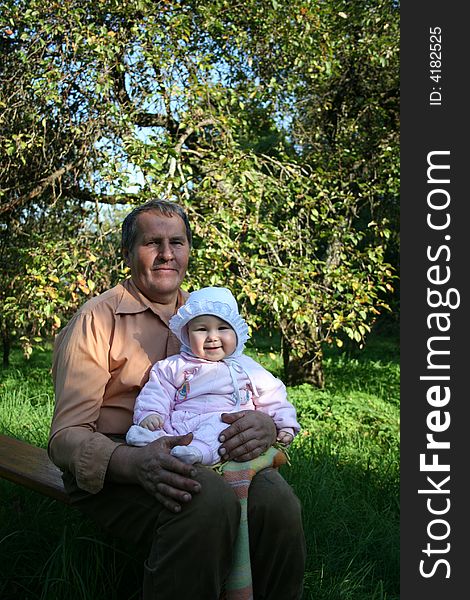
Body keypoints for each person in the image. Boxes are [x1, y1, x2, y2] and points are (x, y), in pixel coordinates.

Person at [48, 199, 306, 599]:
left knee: (277, 501)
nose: (167, 254)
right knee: (205, 502)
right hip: (118, 458)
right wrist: (133, 463)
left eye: (177, 242)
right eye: (152, 242)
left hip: (209, 450)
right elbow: (65, 437)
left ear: (188, 250)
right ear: (128, 252)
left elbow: (252, 380)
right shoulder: (96, 319)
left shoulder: (206, 313)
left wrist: (267, 424)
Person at [126, 286, 301, 465]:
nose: (212, 337)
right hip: (182, 421)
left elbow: (273, 395)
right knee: (163, 427)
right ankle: (153, 439)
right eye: (202, 329)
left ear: (237, 333)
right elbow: (157, 390)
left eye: (223, 328)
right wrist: (151, 413)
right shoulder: (174, 366)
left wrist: (285, 424)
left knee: (221, 431)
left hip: (223, 420)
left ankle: (199, 453)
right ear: (187, 334)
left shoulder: (247, 368)